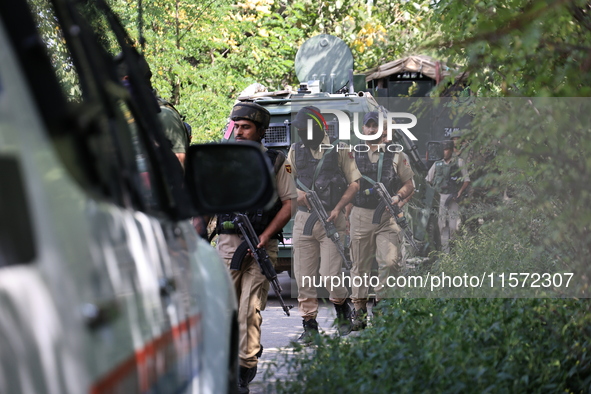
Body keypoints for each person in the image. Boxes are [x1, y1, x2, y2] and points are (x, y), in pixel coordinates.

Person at [215, 102, 296, 394]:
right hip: (228, 244)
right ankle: (225, 365)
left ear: (260, 131)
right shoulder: (224, 159)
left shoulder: (277, 161)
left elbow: (289, 204)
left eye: (245, 127)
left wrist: (265, 237)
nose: (239, 131)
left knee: (250, 310)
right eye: (236, 126)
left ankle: (244, 370)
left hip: (262, 245)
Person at [287, 106, 361, 343]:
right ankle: (309, 325)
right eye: (299, 130)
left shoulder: (340, 148)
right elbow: (286, 180)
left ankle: (342, 309)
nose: (302, 134)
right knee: (303, 276)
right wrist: (298, 195)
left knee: (330, 276)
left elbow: (355, 183)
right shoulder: (295, 151)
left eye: (305, 129)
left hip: (332, 218)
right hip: (304, 220)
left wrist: (339, 208)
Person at [347, 112, 415, 330]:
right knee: (360, 266)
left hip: (387, 216)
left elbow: (409, 184)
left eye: (376, 126)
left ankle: (381, 307)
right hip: (360, 215)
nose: (372, 129)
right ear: (363, 129)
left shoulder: (396, 154)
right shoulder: (352, 154)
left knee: (389, 263)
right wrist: (345, 216)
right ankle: (358, 310)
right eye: (369, 125)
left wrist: (398, 198)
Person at [425, 140, 470, 253]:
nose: (444, 152)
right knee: (439, 226)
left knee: (453, 227)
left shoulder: (459, 163)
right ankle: (439, 251)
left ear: (451, 150)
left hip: (453, 198)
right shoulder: (437, 164)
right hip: (440, 198)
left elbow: (466, 180)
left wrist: (459, 192)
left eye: (446, 150)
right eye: (443, 150)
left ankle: (453, 251)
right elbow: (428, 180)